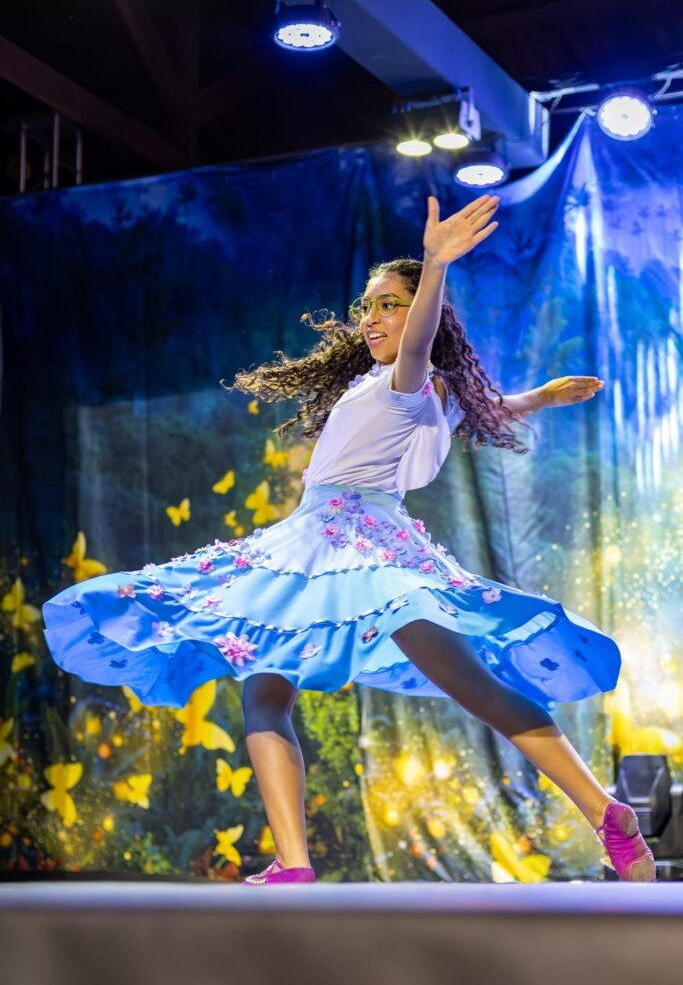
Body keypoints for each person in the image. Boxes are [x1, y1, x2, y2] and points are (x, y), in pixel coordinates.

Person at [42, 195, 655, 886]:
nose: (372, 318)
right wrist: (536, 398)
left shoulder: (407, 379)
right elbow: (486, 405)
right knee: (264, 693)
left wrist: (435, 264)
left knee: (474, 688)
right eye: (367, 307)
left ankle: (605, 812)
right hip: (316, 546)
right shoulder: (419, 390)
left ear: (422, 313)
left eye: (390, 305)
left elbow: (421, 348)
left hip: (361, 551)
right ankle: (293, 863)